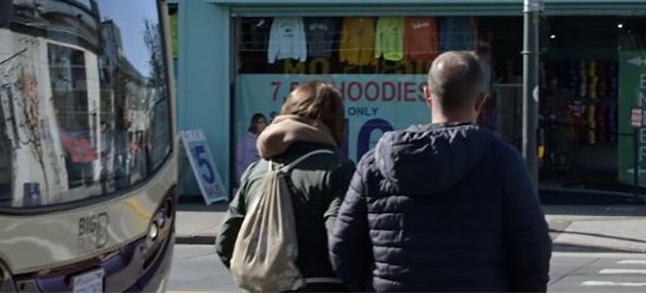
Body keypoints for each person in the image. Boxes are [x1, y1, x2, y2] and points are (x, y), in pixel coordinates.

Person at [329, 51, 551, 292]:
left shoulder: (374, 164)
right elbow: (532, 253)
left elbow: (343, 248)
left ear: (426, 94)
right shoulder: (503, 161)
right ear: (481, 101)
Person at [217, 83, 354, 292]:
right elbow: (341, 242)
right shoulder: (337, 169)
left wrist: (266, 276)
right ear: (334, 123)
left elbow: (225, 243)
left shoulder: (256, 170)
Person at [235, 113, 269, 179]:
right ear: (254, 124)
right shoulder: (246, 140)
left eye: (265, 122)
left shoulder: (266, 140)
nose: (263, 125)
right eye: (260, 123)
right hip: (248, 175)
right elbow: (239, 161)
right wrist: (243, 178)